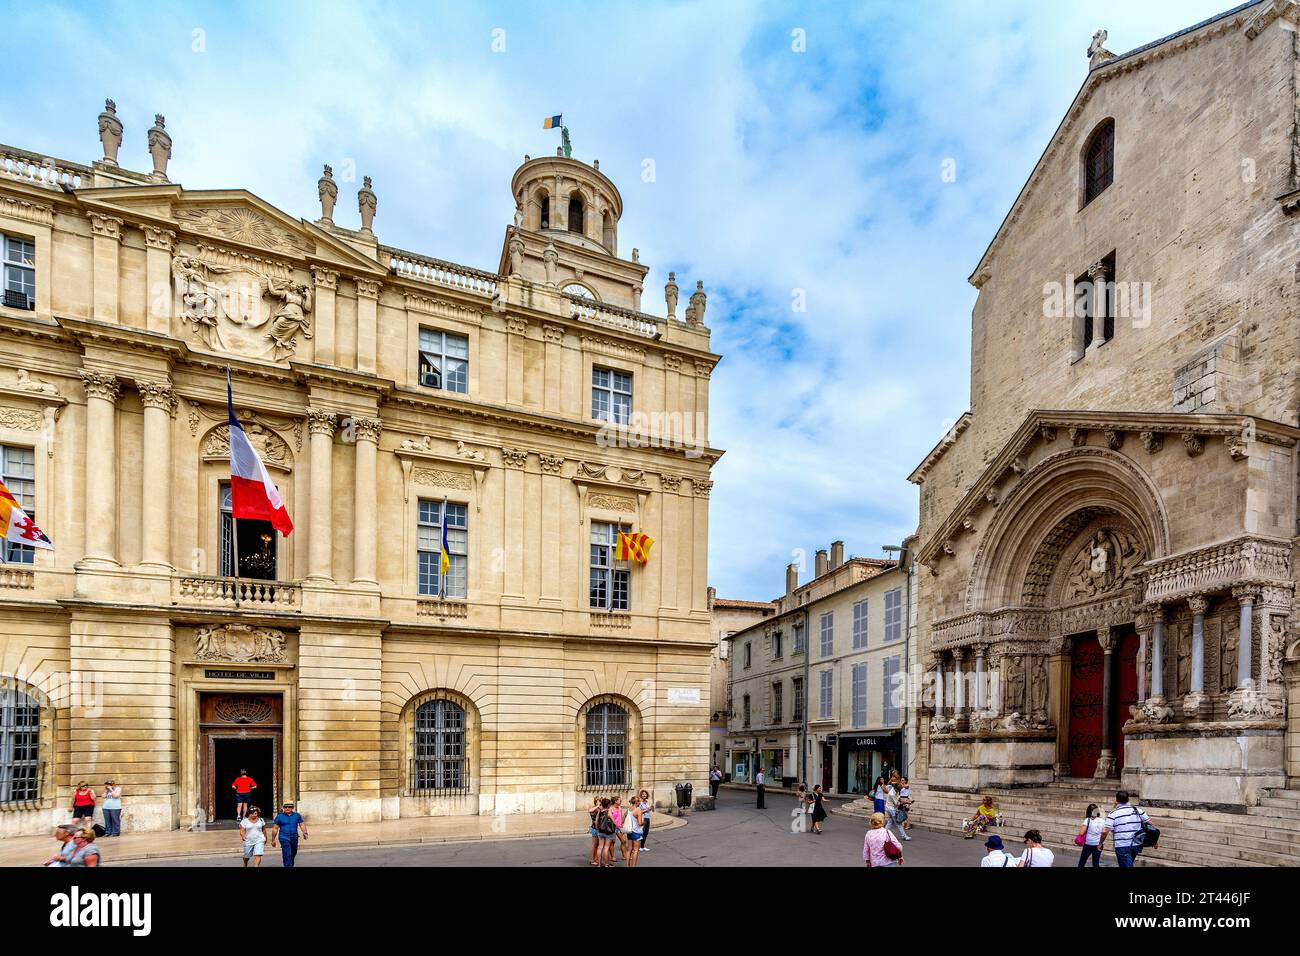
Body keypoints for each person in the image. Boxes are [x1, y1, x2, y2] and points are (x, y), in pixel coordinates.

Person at [1102, 789, 1151, 868]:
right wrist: (1154, 841)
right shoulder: (1138, 810)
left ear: (1117, 800)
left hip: (1122, 845)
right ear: (1128, 799)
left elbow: (1105, 831)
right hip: (1136, 844)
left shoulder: (1113, 813)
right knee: (1128, 863)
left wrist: (1100, 843)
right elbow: (1150, 825)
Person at [270, 801, 307, 869]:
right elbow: (275, 828)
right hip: (284, 837)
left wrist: (305, 832)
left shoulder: (297, 815)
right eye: (285, 807)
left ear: (292, 808)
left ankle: (290, 865)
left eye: (289, 807)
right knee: (287, 853)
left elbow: (301, 824)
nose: (287, 808)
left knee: (293, 852)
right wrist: (273, 840)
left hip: (294, 837)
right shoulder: (279, 816)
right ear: (283, 808)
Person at [1076, 803, 1105, 867]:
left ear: (1088, 811)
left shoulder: (1087, 820)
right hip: (1098, 844)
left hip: (1088, 844)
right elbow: (1103, 833)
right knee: (1095, 863)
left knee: (1082, 862)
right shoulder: (1102, 821)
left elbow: (1081, 833)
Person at [624, 792, 645, 867]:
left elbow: (624, 817)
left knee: (629, 849)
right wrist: (644, 822)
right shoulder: (638, 810)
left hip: (629, 831)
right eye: (639, 801)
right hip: (637, 832)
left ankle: (627, 865)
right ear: (637, 802)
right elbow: (639, 823)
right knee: (636, 850)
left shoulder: (629, 809)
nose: (640, 802)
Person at [595, 797, 617, 867]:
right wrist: (619, 827)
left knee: (600, 847)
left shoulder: (600, 811)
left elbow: (596, 821)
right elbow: (614, 821)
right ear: (608, 805)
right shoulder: (609, 811)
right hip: (608, 832)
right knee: (606, 848)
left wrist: (598, 828)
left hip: (600, 831)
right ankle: (606, 864)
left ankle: (599, 864)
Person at [588, 796, 603, 866]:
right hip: (594, 829)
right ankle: (592, 859)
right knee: (594, 844)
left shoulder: (601, 809)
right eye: (598, 800)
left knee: (598, 845)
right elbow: (589, 811)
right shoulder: (594, 809)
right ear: (595, 802)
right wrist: (597, 806)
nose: (600, 801)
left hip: (600, 829)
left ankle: (596, 858)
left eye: (600, 800)